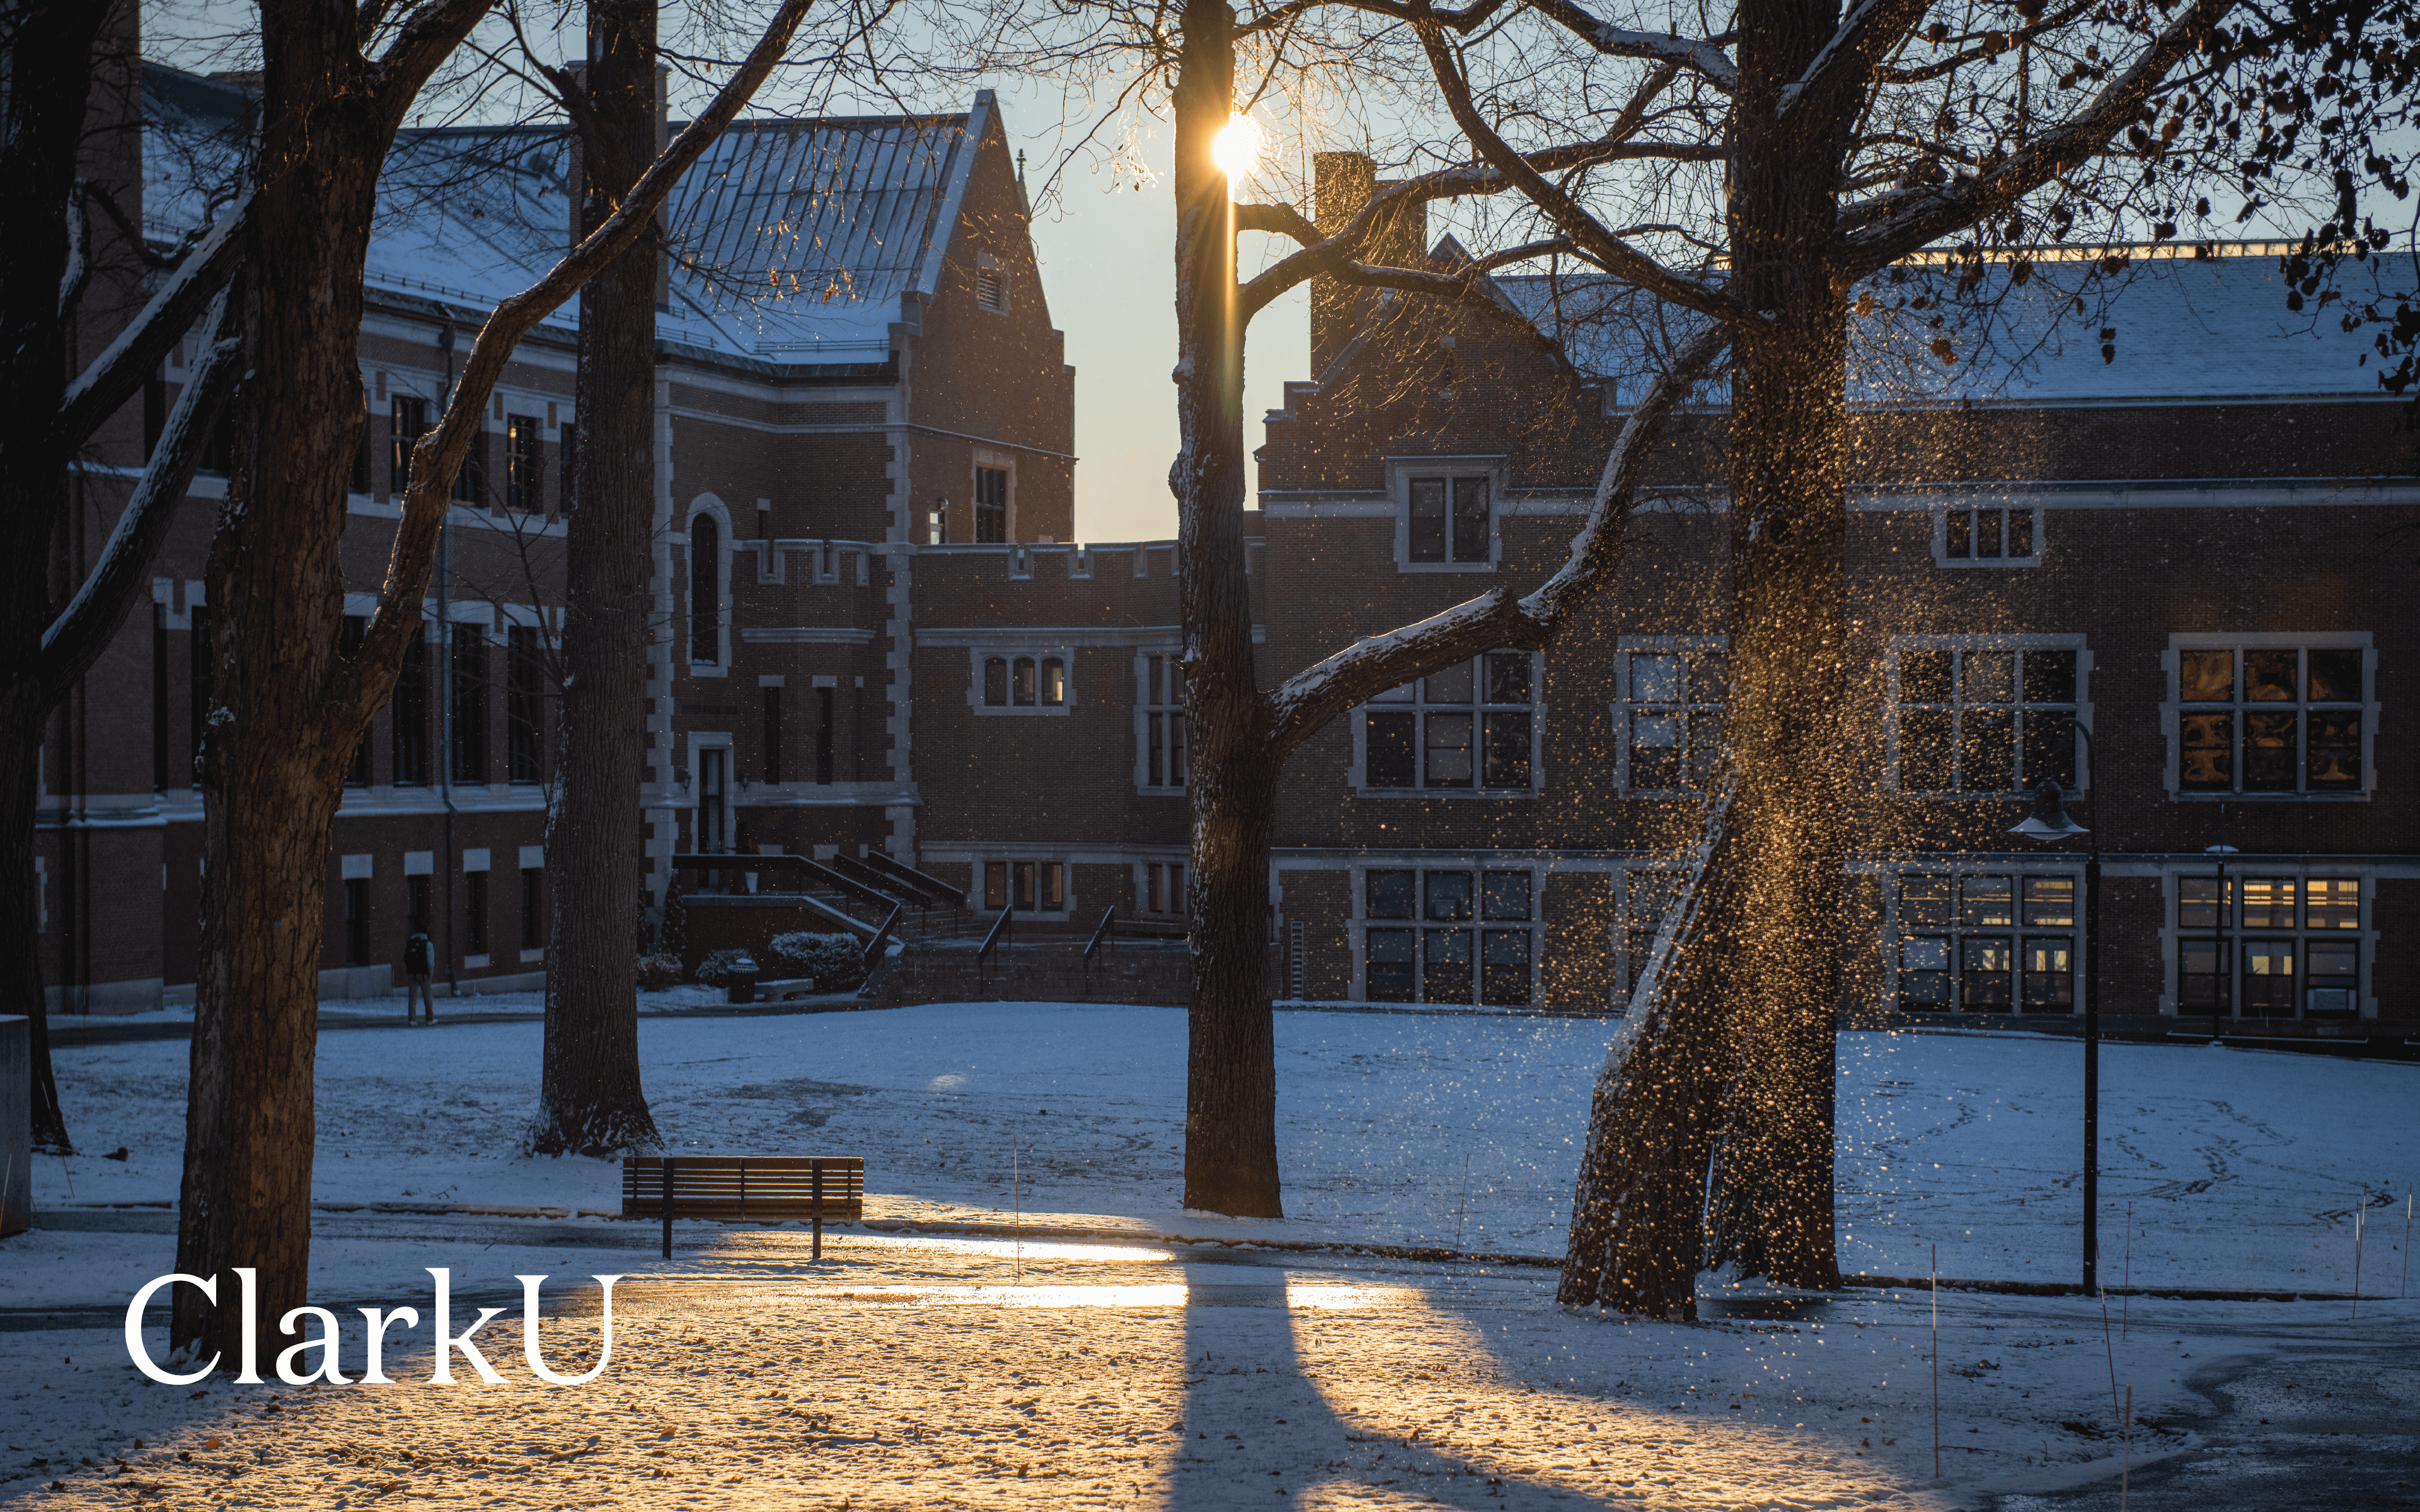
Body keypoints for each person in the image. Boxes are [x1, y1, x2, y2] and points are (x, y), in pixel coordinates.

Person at [403, 931, 436, 1024]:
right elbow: (430, 961)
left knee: (412, 998)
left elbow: (405, 959)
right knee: (427, 997)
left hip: (412, 974)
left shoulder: (410, 944)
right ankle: (430, 1019)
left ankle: (412, 1020)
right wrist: (430, 974)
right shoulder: (428, 944)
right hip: (423, 975)